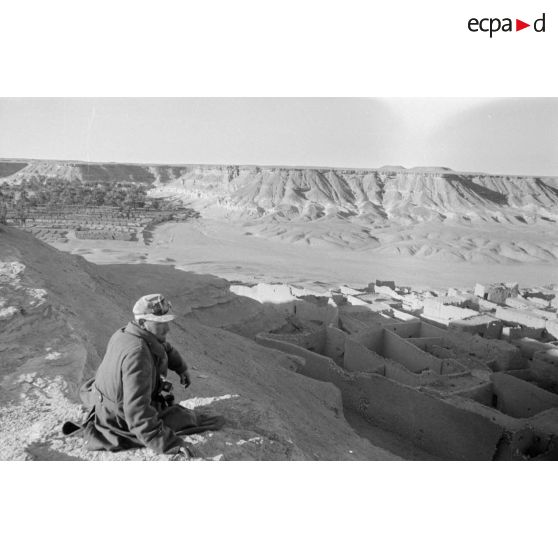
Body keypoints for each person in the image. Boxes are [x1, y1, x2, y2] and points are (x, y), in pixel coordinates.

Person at [64, 294, 223, 458]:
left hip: (104, 401)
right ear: (142, 322)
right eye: (160, 324)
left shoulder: (126, 332)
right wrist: (168, 443)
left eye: (167, 322)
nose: (167, 328)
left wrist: (181, 368)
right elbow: (137, 410)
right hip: (119, 416)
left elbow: (164, 347)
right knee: (186, 418)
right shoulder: (138, 354)